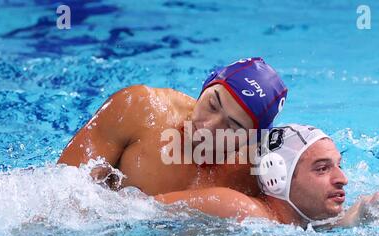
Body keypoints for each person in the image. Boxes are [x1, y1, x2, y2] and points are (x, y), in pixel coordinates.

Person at [57, 58, 287, 196]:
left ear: (252, 139)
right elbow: (58, 190)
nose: (208, 126)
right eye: (212, 104)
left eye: (233, 126)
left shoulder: (254, 174)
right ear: (206, 86)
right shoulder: (138, 109)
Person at [155, 124, 379, 228]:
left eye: (338, 165)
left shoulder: (298, 219)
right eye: (322, 168)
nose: (342, 178)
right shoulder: (238, 209)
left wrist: (352, 221)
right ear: (277, 175)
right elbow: (139, 210)